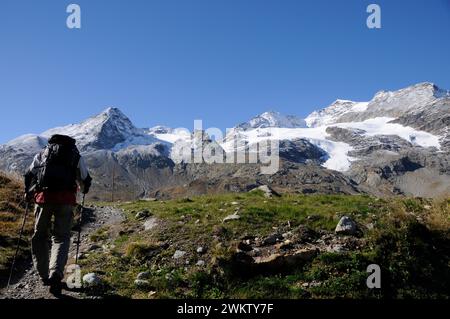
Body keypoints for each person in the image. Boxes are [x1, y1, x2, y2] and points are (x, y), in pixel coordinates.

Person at [24, 134, 92, 296]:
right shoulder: (75, 155)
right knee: (61, 237)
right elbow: (85, 178)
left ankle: (42, 274)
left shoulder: (42, 154)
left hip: (43, 199)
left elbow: (29, 174)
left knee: (39, 235)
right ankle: (56, 271)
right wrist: (83, 190)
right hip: (66, 200)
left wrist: (28, 193)